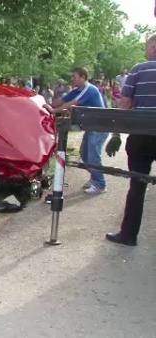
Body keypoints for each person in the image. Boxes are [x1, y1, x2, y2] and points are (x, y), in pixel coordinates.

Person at [104, 34, 156, 246]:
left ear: (153, 48)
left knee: (137, 186)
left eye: (146, 47)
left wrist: (115, 135)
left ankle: (128, 235)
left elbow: (124, 104)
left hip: (142, 135)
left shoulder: (139, 70)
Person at [43, 67, 109, 194]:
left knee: (93, 156)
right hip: (91, 127)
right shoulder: (77, 90)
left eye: (74, 76)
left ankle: (100, 184)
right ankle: (95, 177)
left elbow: (72, 103)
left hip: (100, 127)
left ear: (83, 77)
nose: (72, 79)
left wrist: (53, 111)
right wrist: (45, 105)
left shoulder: (89, 89)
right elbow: (61, 100)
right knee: (84, 154)